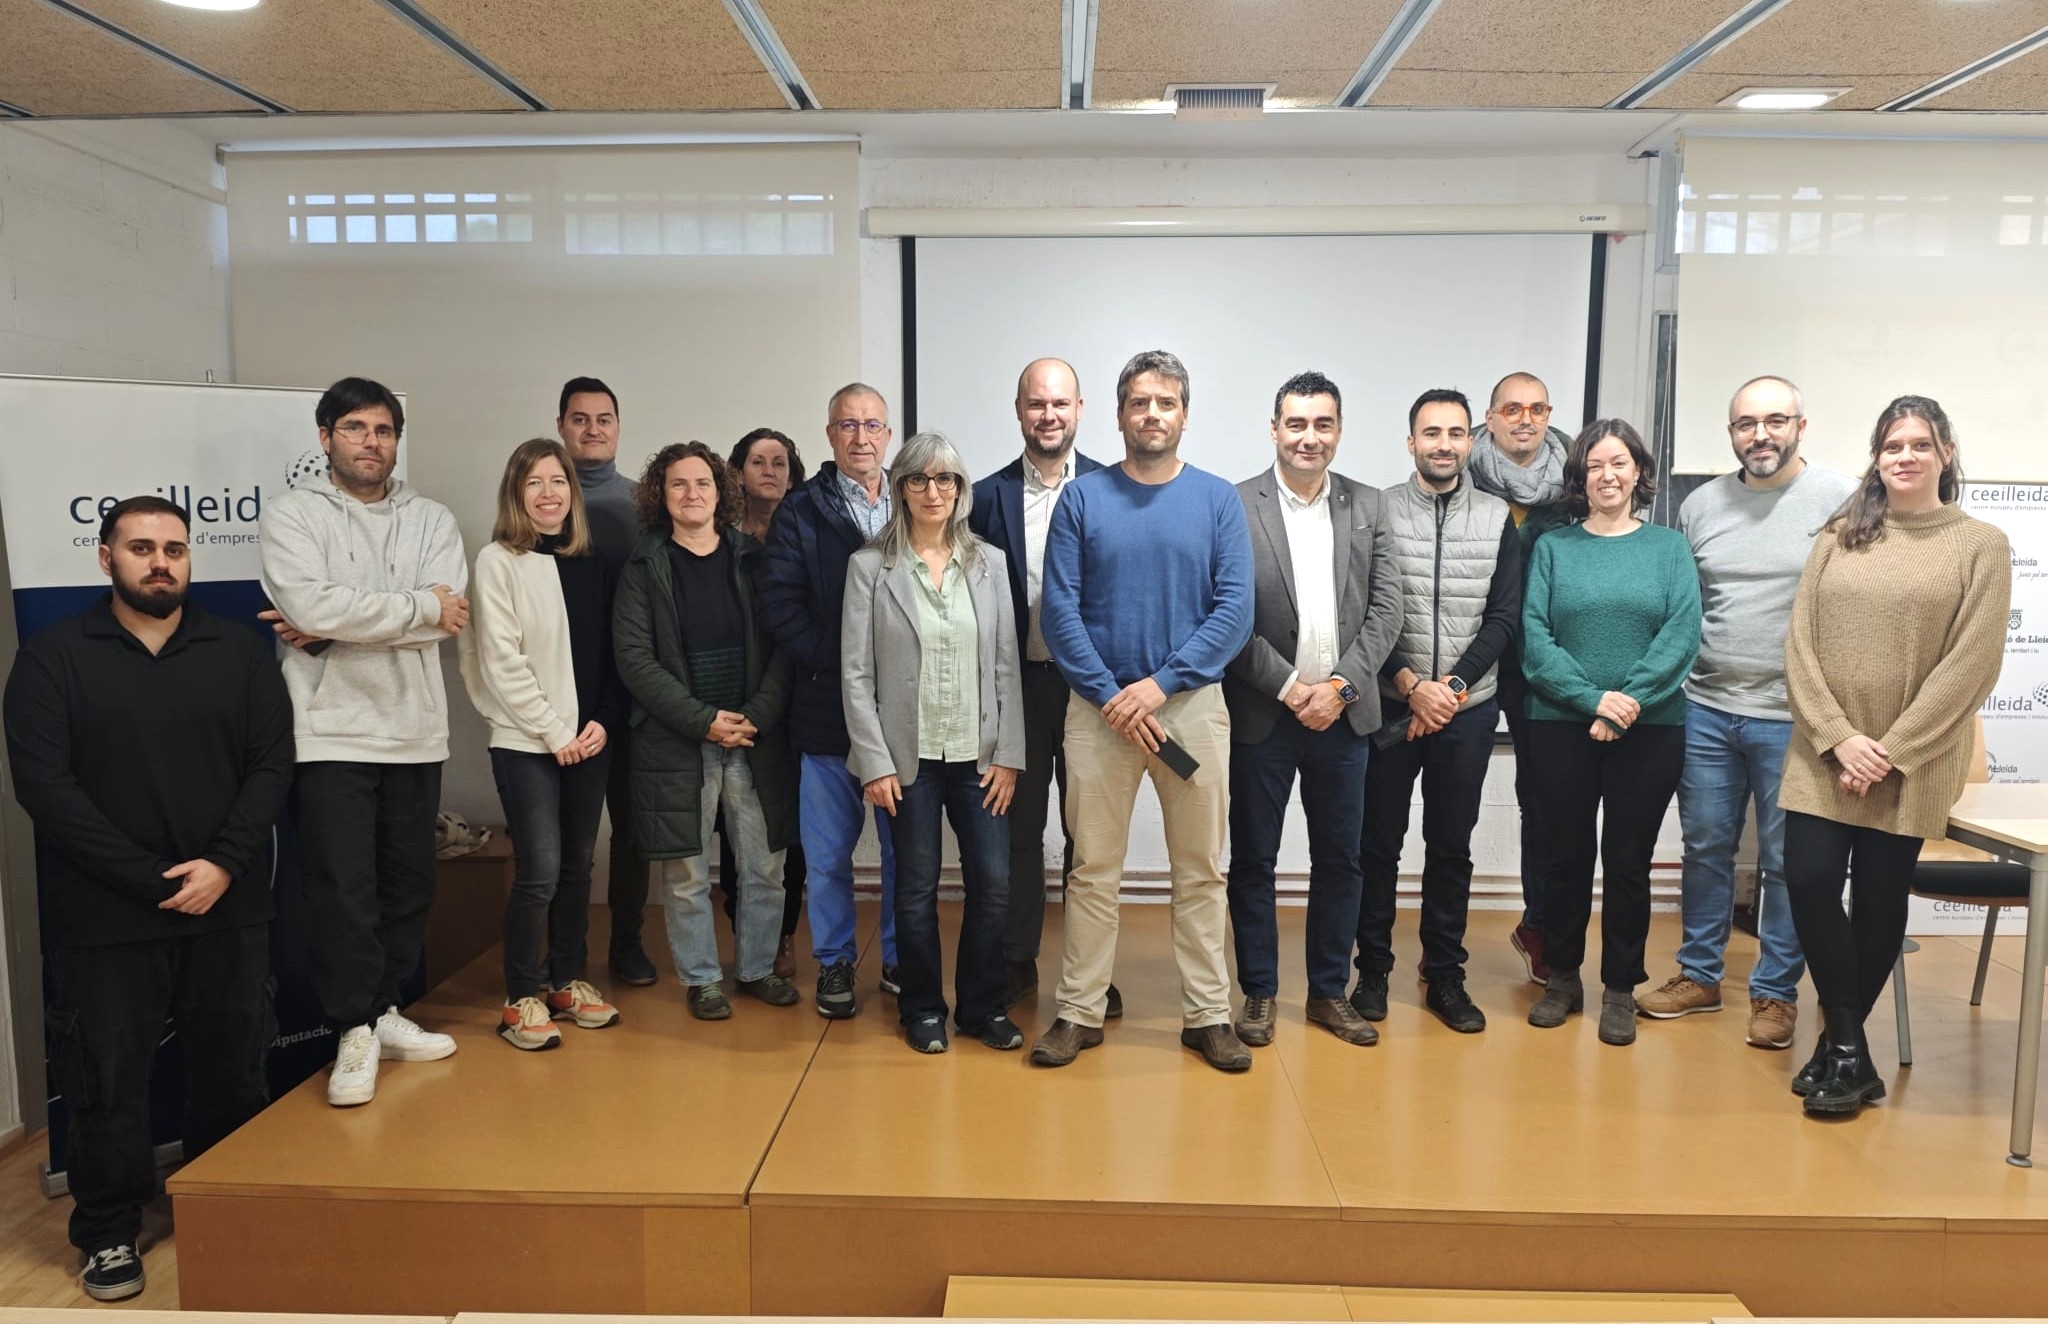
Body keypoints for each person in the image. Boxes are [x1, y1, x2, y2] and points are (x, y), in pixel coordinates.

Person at [4, 497, 293, 1302]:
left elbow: (272, 766)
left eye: (174, 548)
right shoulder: (52, 659)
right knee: (106, 1083)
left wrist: (224, 865)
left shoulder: (239, 653)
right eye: (141, 547)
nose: (160, 561)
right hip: (103, 917)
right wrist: (150, 879)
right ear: (106, 559)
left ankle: (222, 1209)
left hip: (228, 905)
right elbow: (45, 789)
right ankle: (107, 1231)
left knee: (232, 1070)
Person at [1780, 395, 2008, 1117]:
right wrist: (1839, 738)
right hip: (1824, 753)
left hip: (1913, 762)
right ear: (1876, 458)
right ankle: (1850, 1045)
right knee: (1809, 881)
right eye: (1891, 446)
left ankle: (1840, 1052)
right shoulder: (1838, 535)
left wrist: (1890, 751)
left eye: (1919, 444)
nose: (1904, 456)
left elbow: (1972, 664)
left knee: (1879, 900)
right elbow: (1799, 646)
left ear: (1945, 453)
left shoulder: (1980, 544)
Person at [1031, 349, 1255, 1072]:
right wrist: (1111, 695)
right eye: (1139, 402)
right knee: (1092, 868)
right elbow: (1060, 611)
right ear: (1120, 413)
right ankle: (1079, 1010)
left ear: (1184, 414)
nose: (1152, 414)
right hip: (1099, 717)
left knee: (1201, 869)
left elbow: (1234, 612)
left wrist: (1158, 686)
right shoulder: (1082, 499)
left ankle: (1208, 1015)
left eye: (1165, 402)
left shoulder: (1218, 500)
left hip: (1190, 713)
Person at [259, 377, 467, 1107]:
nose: (370, 442)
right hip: (330, 734)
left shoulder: (432, 518)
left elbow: (450, 614)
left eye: (382, 430)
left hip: (416, 732)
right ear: (325, 438)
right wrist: (415, 610)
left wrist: (337, 625)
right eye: (354, 428)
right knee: (343, 892)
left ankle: (383, 1012)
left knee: (408, 887)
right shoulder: (292, 515)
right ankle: (353, 1027)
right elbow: (309, 604)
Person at [1638, 377, 1858, 1048]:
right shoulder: (1701, 504)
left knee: (1787, 861)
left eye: (1774, 421)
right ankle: (1699, 975)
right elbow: (1685, 604)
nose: (1760, 435)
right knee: (1706, 849)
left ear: (1800, 426)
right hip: (1706, 707)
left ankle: (1775, 994)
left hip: (1796, 715)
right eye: (1745, 424)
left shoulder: (1841, 498)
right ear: (1731, 432)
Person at [1225, 371, 1399, 1049]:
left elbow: (1387, 611)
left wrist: (1341, 688)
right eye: (1296, 423)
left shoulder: (1369, 505)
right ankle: (1259, 992)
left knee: (1341, 860)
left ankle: (1329, 992)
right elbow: (1228, 616)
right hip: (1265, 714)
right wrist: (1291, 687)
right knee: (1254, 860)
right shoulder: (1236, 504)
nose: (1309, 436)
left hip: (1344, 718)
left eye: (1322, 424)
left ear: (1339, 430)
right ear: (1274, 429)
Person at [844, 431, 1027, 1053]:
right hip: (908, 759)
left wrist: (1010, 755)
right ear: (900, 489)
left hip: (980, 757)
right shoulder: (870, 567)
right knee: (916, 890)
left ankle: (981, 1008)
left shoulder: (989, 563)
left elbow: (1005, 666)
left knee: (993, 885)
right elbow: (856, 674)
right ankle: (922, 1008)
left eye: (945, 479)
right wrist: (874, 762)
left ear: (960, 489)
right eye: (919, 479)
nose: (933, 491)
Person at [1521, 420, 1700, 1046]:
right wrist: (1592, 699)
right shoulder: (1553, 548)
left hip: (1650, 730)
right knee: (1564, 859)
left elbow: (1681, 635)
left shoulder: (1669, 549)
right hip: (1559, 726)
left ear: (1638, 473)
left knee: (1628, 863)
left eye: (1619, 463)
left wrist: (1625, 705)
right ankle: (1562, 978)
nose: (1607, 475)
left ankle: (1620, 986)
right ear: (1580, 477)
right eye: (1595, 465)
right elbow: (1535, 640)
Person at [1353, 389, 1522, 1035]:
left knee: (1450, 846)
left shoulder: (1497, 517)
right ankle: (1372, 969)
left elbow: (1503, 617)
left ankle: (1444, 973)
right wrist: (1407, 682)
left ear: (1471, 441)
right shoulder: (1378, 511)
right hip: (1390, 706)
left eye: (1455, 433)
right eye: (1431, 433)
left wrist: (1448, 688)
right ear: (1411, 442)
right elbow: (1364, 609)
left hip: (1466, 710)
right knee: (1378, 844)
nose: (1443, 445)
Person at [613, 442, 801, 1019]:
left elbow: (783, 645)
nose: (691, 493)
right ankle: (701, 979)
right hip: (680, 741)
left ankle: (757, 969)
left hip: (752, 737)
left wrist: (756, 715)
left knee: (765, 866)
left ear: (722, 493)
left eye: (703, 483)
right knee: (685, 872)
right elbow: (635, 661)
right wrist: (703, 721)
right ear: (660, 494)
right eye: (678, 484)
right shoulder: (644, 567)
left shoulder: (754, 560)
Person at [460, 438, 629, 1051]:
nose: (548, 493)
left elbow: (613, 652)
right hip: (527, 742)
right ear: (516, 493)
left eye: (557, 481)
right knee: (540, 872)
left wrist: (603, 721)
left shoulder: (592, 561)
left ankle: (566, 981)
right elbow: (501, 662)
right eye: (534, 483)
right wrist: (555, 733)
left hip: (589, 739)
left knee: (579, 866)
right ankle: (521, 997)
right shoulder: (497, 561)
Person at [967, 358, 1110, 1011]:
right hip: (1018, 689)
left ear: (1079, 409)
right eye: (1035, 404)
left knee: (1091, 837)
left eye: (1059, 404)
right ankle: (1017, 959)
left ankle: (1090, 971)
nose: (1047, 416)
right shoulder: (983, 498)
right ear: (1019, 410)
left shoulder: (1114, 489)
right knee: (1019, 834)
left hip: (1093, 692)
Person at [757, 384, 901, 1018]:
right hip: (824, 711)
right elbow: (778, 603)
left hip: (901, 715)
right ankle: (836, 961)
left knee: (905, 854)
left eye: (872, 425)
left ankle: (899, 958)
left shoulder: (915, 499)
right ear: (830, 434)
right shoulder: (800, 511)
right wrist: (836, 662)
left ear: (888, 435)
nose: (861, 437)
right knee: (827, 855)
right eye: (848, 425)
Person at [1466, 371, 1575, 985]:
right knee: (1453, 802)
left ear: (1549, 415)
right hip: (1472, 656)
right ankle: (1441, 946)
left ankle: (1539, 926)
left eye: (1536, 409)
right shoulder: (1459, 472)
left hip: (1545, 663)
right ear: (1490, 419)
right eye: (1511, 409)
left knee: (1546, 801)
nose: (1525, 419)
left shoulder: (1577, 483)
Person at [557, 378, 659, 989]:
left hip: (636, 696)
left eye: (604, 419)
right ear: (561, 426)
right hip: (564, 698)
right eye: (580, 419)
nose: (592, 429)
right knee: (570, 840)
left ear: (618, 427)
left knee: (633, 831)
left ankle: (627, 944)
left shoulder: (644, 503)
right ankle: (565, 954)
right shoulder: (540, 498)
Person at [719, 427, 808, 979]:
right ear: (738, 473)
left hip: (795, 696)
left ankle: (784, 933)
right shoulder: (719, 540)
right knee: (736, 827)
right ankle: (743, 929)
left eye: (780, 463)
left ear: (793, 476)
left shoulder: (804, 533)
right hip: (734, 702)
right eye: (758, 462)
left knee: (786, 824)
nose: (770, 471)